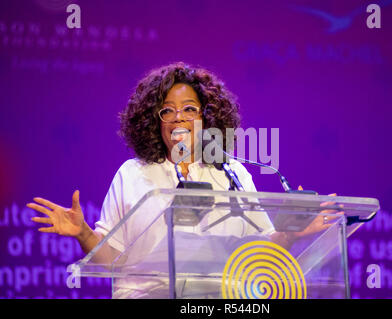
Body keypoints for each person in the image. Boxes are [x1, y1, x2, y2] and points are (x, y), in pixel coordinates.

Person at [27, 62, 340, 297]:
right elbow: (113, 259)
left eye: (190, 109)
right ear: (155, 120)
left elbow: (259, 251)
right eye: (167, 111)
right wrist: (82, 232)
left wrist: (290, 231)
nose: (179, 117)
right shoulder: (133, 174)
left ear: (207, 118)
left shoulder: (232, 173)